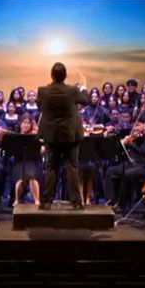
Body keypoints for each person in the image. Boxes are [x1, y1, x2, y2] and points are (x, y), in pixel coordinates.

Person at [36, 62, 89, 210]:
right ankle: (76, 202)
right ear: (65, 76)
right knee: (72, 166)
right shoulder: (72, 90)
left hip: (51, 136)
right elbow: (86, 101)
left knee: (51, 167)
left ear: (51, 75)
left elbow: (40, 104)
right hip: (70, 135)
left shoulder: (43, 91)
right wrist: (83, 87)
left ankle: (46, 201)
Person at [105, 121, 145, 209]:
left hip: (143, 166)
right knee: (110, 171)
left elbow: (143, 151)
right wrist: (124, 143)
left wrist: (131, 144)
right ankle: (111, 200)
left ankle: (121, 203)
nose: (135, 127)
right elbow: (120, 152)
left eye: (138, 125)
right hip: (131, 164)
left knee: (127, 174)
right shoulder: (134, 137)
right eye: (134, 125)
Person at [11, 115, 43, 206]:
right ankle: (17, 200)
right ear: (20, 124)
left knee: (32, 177)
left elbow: (41, 149)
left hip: (32, 161)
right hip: (19, 161)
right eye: (24, 122)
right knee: (21, 178)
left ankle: (37, 200)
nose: (26, 125)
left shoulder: (34, 136)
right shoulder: (15, 136)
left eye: (28, 123)